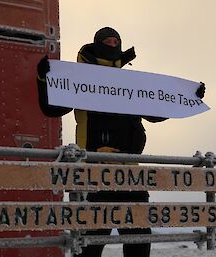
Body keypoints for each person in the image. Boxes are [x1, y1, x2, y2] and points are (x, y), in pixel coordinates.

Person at [37, 27, 205, 257]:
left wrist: (188, 97)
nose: (113, 43)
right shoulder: (80, 79)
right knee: (91, 242)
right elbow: (51, 108)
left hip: (130, 172)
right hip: (95, 171)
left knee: (139, 238)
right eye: (107, 40)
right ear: (97, 44)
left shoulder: (129, 84)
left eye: (116, 40)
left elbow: (156, 110)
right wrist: (43, 79)